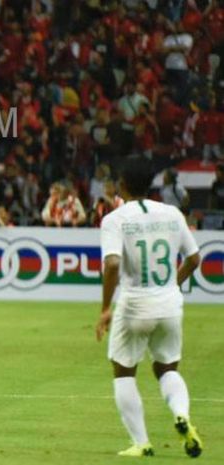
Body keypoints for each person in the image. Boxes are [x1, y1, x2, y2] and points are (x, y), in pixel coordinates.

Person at [95, 156, 203, 458]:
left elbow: (113, 264)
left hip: (134, 305)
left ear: (122, 185)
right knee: (167, 368)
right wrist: (172, 283)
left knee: (124, 372)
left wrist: (105, 307)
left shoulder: (115, 219)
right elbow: (194, 260)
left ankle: (141, 442)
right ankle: (181, 414)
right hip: (168, 303)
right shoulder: (172, 213)